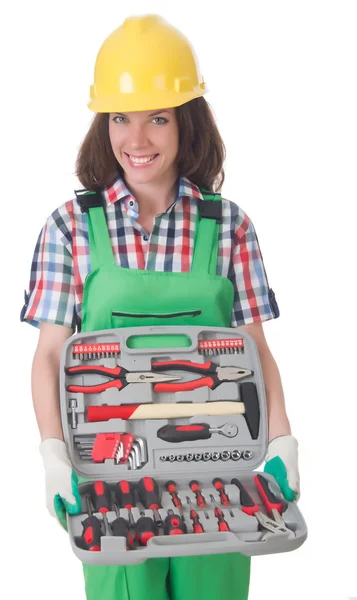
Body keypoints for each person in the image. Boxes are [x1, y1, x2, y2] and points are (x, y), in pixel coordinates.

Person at [21, 13, 300, 600]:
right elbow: (50, 356)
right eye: (121, 117)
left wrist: (280, 444)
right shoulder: (71, 228)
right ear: (103, 123)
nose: (137, 139)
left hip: (220, 481)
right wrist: (52, 454)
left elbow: (255, 354)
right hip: (109, 481)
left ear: (186, 123)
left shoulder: (229, 227)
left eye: (158, 118)